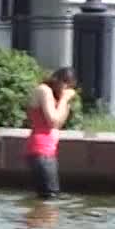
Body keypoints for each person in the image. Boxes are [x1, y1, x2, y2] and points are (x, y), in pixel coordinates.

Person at [25, 67, 77, 199]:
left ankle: (37, 212)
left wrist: (64, 102)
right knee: (50, 195)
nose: (65, 88)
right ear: (56, 79)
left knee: (47, 196)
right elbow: (53, 121)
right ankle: (41, 213)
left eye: (69, 86)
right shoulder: (44, 90)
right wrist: (64, 99)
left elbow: (58, 124)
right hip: (41, 149)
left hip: (48, 151)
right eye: (64, 83)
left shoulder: (55, 97)